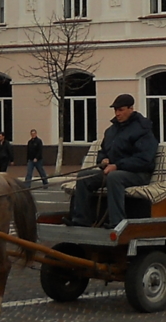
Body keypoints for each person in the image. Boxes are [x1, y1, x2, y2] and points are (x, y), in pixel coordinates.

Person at [68, 94, 159, 228]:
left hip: (139, 174)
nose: (117, 113)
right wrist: (102, 159)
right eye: (115, 110)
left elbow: (144, 159)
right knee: (84, 177)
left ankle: (117, 222)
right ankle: (81, 220)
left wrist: (117, 166)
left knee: (114, 177)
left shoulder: (143, 130)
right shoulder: (111, 131)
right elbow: (103, 150)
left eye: (121, 110)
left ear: (131, 108)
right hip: (113, 171)